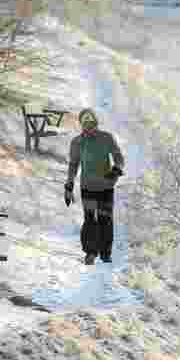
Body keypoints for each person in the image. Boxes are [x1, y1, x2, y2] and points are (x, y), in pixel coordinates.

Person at [65, 109, 124, 265]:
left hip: (106, 187)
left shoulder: (106, 138)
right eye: (85, 124)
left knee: (105, 219)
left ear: (96, 123)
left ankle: (105, 253)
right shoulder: (77, 142)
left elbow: (118, 156)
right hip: (87, 187)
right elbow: (73, 164)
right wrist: (69, 185)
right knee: (90, 219)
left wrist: (117, 169)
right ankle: (91, 253)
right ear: (82, 125)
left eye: (91, 123)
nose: (89, 126)